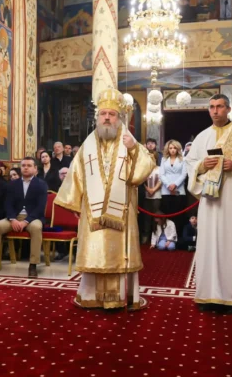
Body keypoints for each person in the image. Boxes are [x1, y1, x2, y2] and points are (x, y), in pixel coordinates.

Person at [53, 88, 155, 310]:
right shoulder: (87, 145)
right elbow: (76, 174)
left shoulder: (129, 141)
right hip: (93, 214)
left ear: (119, 118)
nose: (107, 118)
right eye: (103, 114)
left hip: (122, 212)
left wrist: (134, 149)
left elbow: (143, 170)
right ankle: (92, 297)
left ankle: (122, 297)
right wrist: (74, 203)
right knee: (95, 252)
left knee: (120, 254)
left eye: (112, 114)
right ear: (97, 117)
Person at [185, 94, 232, 314]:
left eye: (219, 106)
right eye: (211, 107)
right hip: (210, 201)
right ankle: (208, 295)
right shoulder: (202, 137)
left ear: (228, 109)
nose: (215, 111)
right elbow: (190, 164)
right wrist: (202, 165)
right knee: (208, 246)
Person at [0, 157, 48, 278]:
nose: (26, 168)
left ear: (35, 168)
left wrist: (26, 221)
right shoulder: (12, 184)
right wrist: (12, 219)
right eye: (23, 165)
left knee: (36, 228)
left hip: (33, 217)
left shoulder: (41, 184)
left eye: (29, 166)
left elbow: (40, 207)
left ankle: (33, 265)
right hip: (15, 216)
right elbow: (8, 204)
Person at [159, 139, 187, 237]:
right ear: (168, 149)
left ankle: (178, 238)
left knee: (179, 215)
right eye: (170, 148)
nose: (172, 150)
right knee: (167, 214)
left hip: (179, 190)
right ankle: (167, 237)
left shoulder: (183, 159)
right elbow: (161, 174)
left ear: (178, 149)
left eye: (174, 148)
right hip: (166, 191)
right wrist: (168, 185)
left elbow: (184, 174)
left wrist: (175, 184)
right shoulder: (163, 159)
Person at [141, 154, 162, 245]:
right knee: (146, 218)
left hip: (157, 196)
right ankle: (146, 236)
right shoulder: (145, 169)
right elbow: (141, 180)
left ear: (156, 158)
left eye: (153, 157)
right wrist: (148, 189)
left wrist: (153, 190)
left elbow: (161, 180)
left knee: (156, 217)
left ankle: (156, 237)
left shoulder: (160, 169)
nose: (151, 159)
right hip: (146, 197)